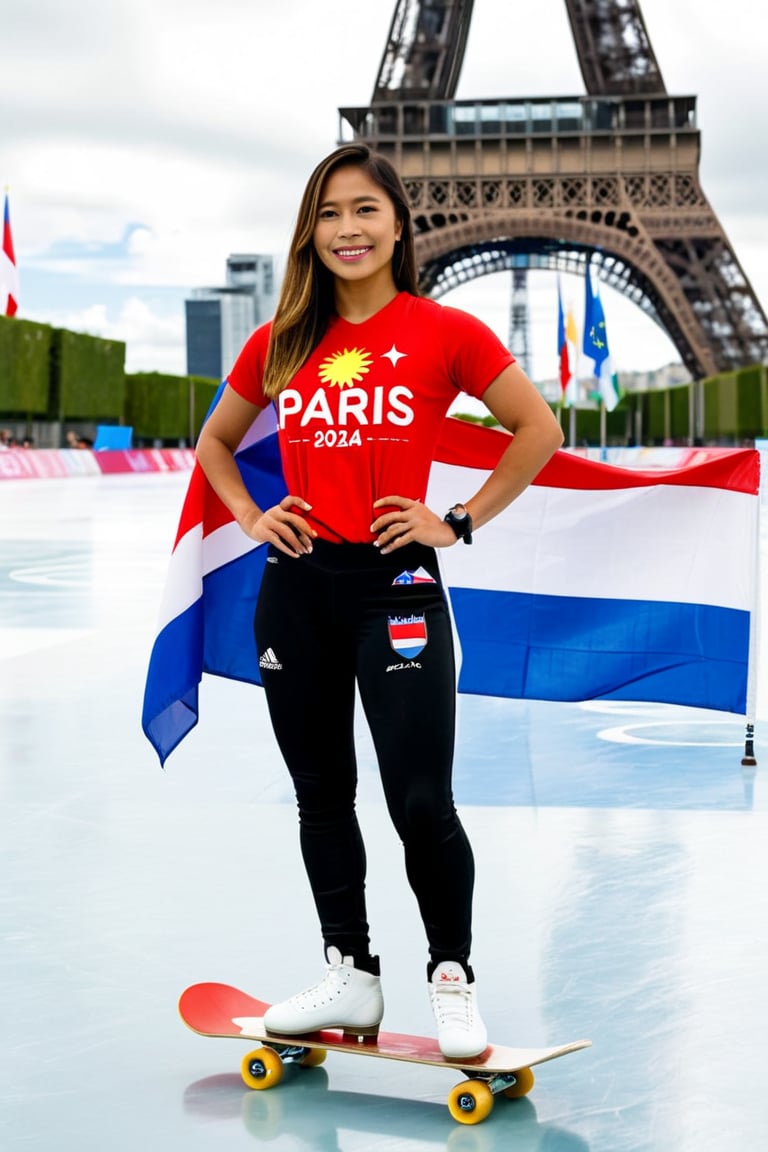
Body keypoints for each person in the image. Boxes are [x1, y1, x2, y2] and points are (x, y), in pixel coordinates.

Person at [195, 143, 564, 1059]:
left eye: (364, 209)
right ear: (308, 232)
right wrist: (249, 514)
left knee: (419, 798)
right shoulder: (281, 339)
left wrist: (459, 520)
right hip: (297, 588)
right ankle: (350, 973)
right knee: (320, 794)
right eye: (328, 213)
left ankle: (451, 976)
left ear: (399, 223)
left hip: (395, 586)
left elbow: (538, 428)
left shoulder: (445, 333)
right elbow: (214, 443)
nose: (346, 229)